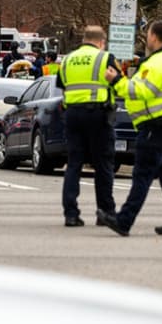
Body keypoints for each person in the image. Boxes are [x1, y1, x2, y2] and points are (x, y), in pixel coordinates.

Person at [102, 21, 162, 237]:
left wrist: (116, 80)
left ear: (154, 37)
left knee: (142, 174)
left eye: (148, 34)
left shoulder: (158, 62)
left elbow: (141, 90)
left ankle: (124, 221)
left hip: (157, 125)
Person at [54, 26, 119, 228]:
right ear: (101, 41)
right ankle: (105, 212)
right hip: (98, 114)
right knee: (103, 164)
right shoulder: (105, 58)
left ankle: (71, 214)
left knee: (74, 164)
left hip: (72, 114)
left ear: (84, 39)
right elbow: (118, 82)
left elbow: (62, 85)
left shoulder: (67, 60)